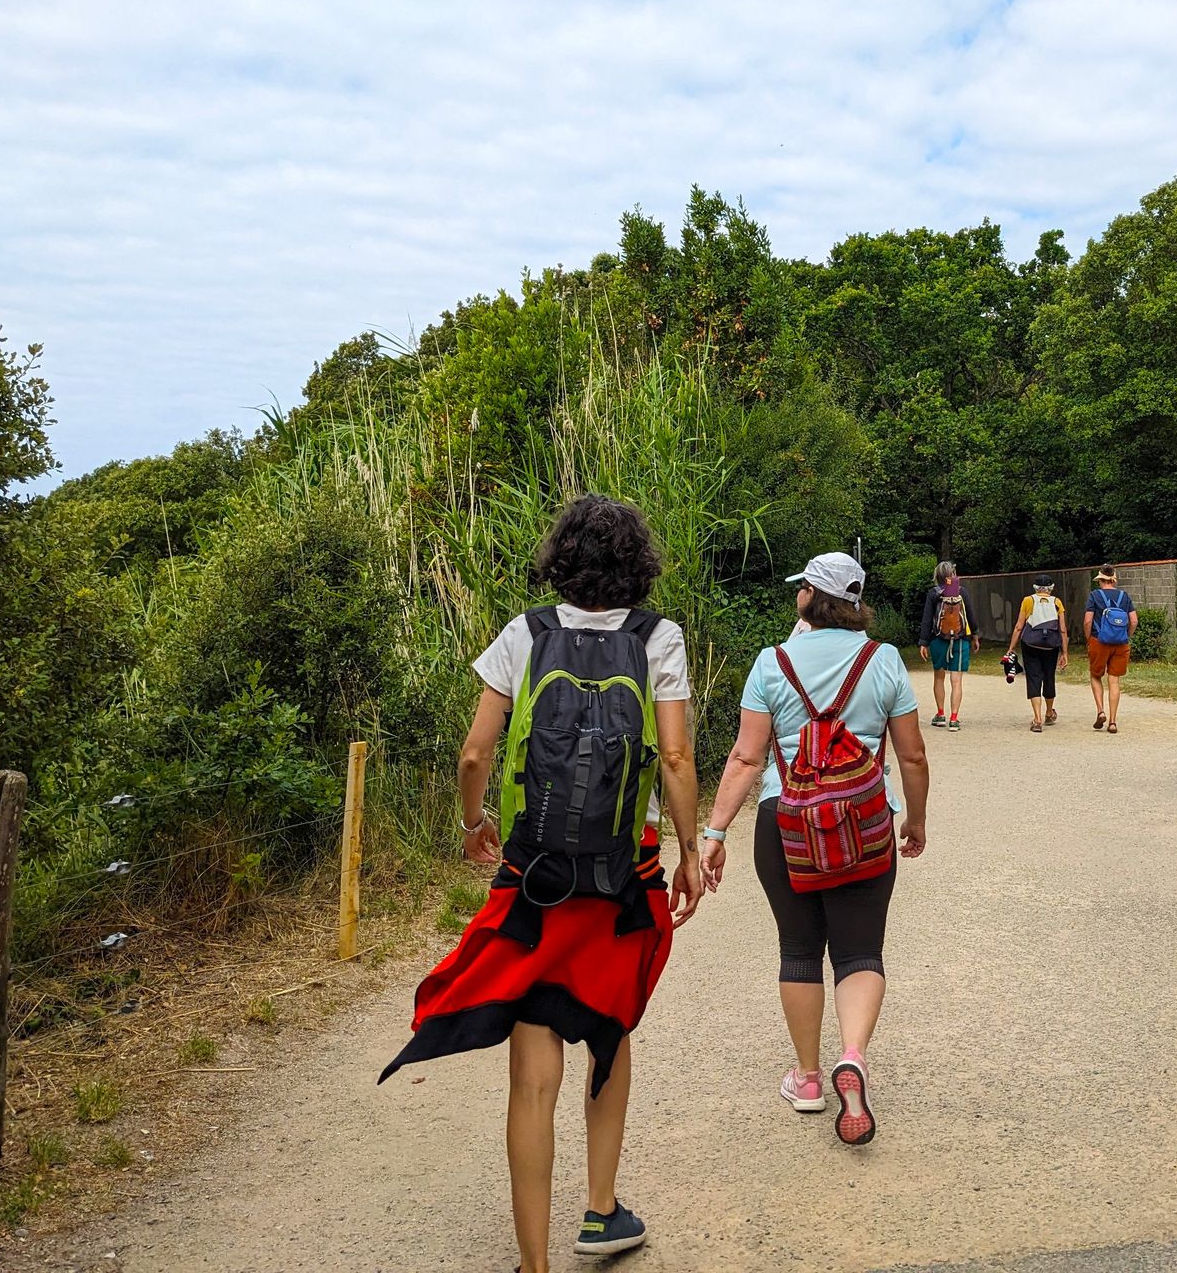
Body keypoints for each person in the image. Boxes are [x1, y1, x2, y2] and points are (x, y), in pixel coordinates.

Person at [380, 494, 704, 1271]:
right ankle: (600, 1211)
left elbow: (473, 755)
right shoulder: (659, 637)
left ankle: (534, 1264)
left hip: (534, 878)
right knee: (609, 1026)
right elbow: (677, 758)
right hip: (623, 877)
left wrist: (472, 827)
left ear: (561, 557)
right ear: (638, 563)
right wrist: (691, 849)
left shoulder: (525, 634)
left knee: (533, 1067)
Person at [702, 552, 929, 1147]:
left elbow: (747, 757)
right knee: (861, 950)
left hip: (786, 823)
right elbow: (911, 756)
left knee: (799, 948)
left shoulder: (771, 662)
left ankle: (807, 1078)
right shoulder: (883, 661)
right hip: (866, 821)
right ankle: (852, 1056)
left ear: (811, 597)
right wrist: (916, 822)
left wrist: (716, 831)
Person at [916, 560, 978, 730]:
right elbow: (970, 615)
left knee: (939, 676)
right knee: (956, 680)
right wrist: (975, 635)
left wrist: (923, 642)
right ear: (952, 574)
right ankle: (954, 718)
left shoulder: (933, 594)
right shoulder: (962, 592)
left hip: (938, 640)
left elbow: (927, 619)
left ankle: (941, 714)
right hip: (959, 641)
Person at [1005, 573, 1068, 732]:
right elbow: (1062, 629)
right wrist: (1064, 652)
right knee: (1049, 676)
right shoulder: (1057, 602)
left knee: (1033, 678)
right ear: (1051, 589)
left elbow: (1019, 626)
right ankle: (1048, 712)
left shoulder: (1028, 600)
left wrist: (1011, 648)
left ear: (1035, 588)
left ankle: (1037, 719)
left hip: (1030, 644)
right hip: (1051, 646)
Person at [1083, 563, 1137, 734]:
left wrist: (1089, 638)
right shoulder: (1124, 596)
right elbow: (1134, 621)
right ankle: (1113, 722)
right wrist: (1126, 636)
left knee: (1095, 675)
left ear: (1100, 579)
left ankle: (1100, 711)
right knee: (1114, 681)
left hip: (1099, 641)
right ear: (1113, 579)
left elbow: (1087, 621)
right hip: (1121, 643)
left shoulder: (1094, 596)